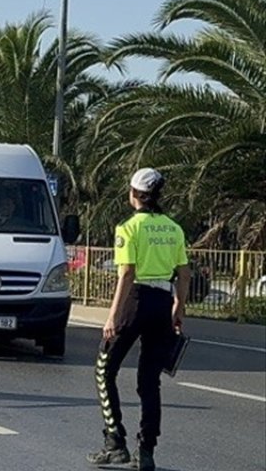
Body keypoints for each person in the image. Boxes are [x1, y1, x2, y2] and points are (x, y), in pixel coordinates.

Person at [87, 168, 190, 471]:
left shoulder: (128, 227)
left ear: (134, 195)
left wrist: (112, 317)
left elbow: (127, 274)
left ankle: (114, 441)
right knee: (149, 382)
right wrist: (178, 308)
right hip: (162, 303)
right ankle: (146, 451)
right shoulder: (173, 228)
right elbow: (184, 274)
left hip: (135, 301)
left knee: (104, 370)